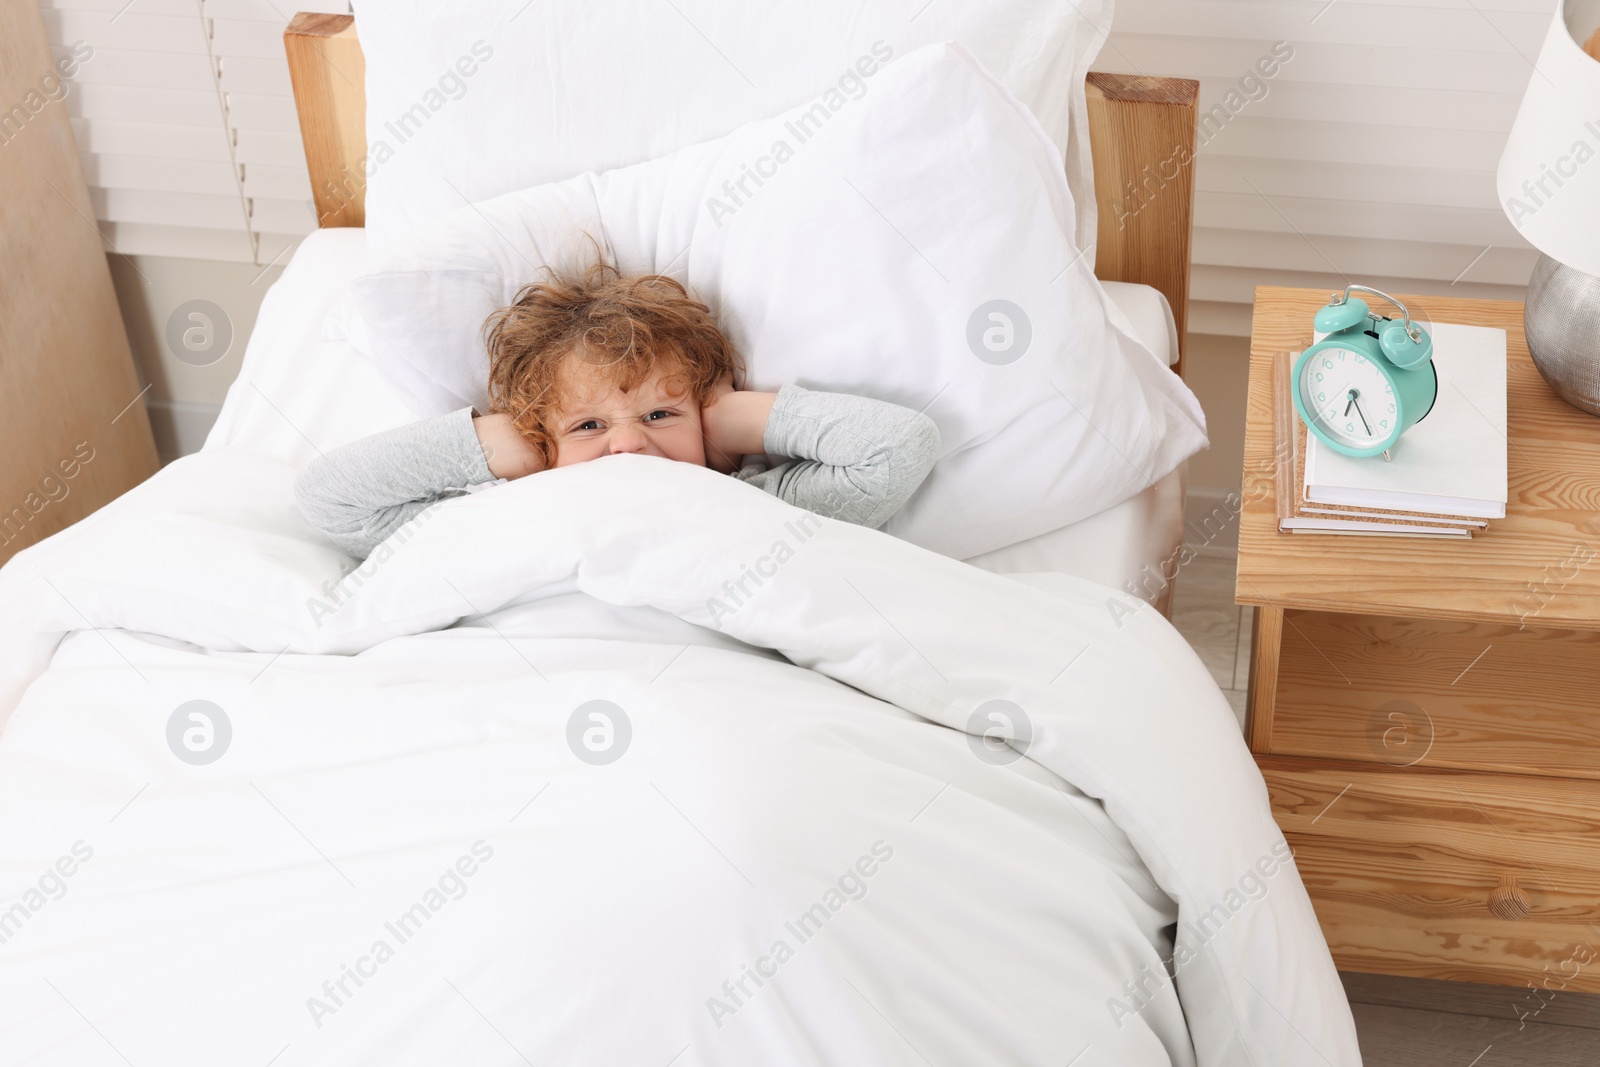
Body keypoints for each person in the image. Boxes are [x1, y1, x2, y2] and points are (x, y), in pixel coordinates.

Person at [295, 257, 940, 559]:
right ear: (541, 447)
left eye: (661, 415)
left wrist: (733, 423)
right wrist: (507, 446)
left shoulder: (765, 504)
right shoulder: (503, 515)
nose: (629, 447)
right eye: (588, 425)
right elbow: (333, 502)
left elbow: (897, 449)